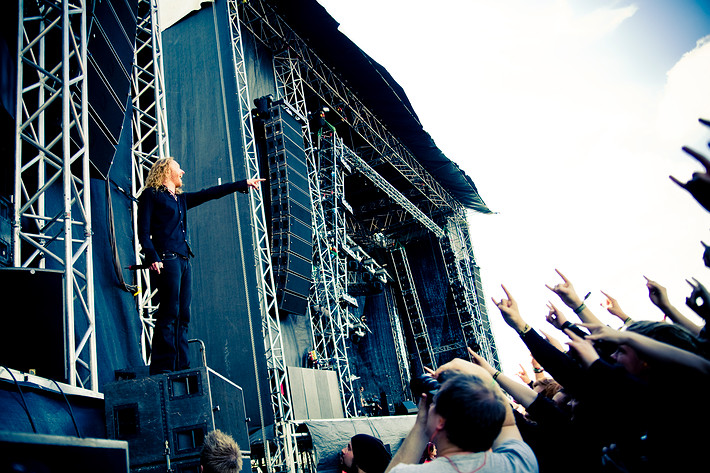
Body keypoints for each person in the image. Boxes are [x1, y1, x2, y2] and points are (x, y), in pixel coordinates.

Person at [137, 157, 264, 375]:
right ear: (166, 170)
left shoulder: (180, 200)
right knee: (169, 312)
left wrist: (241, 184)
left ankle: (182, 367)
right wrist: (152, 257)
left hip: (184, 259)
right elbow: (143, 232)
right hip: (166, 258)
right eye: (179, 168)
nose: (183, 172)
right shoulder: (151, 195)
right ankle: (162, 368)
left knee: (183, 314)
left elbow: (210, 193)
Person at [385, 359, 538, 473]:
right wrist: (483, 377)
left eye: (434, 405)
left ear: (440, 422)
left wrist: (420, 426)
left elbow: (507, 421)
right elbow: (508, 424)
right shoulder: (519, 464)